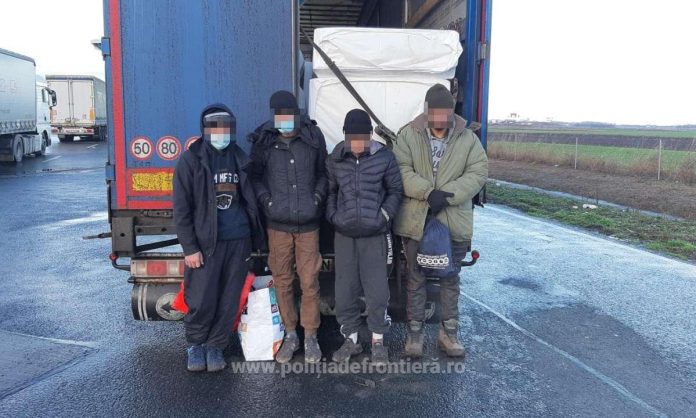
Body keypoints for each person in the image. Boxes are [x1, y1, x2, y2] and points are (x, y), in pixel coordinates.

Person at [392, 84, 488, 358]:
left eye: (444, 112)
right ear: (427, 111)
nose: (439, 118)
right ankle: (414, 335)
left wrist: (448, 195)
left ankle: (449, 334)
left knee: (450, 278)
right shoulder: (408, 135)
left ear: (451, 112)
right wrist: (427, 192)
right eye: (434, 112)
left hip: (454, 219)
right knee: (415, 278)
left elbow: (479, 171)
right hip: (416, 220)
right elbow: (400, 169)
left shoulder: (468, 139)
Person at [173, 104, 265, 372]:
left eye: (226, 128)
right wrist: (190, 247)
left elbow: (250, 199)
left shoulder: (240, 158)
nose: (221, 133)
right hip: (206, 244)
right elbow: (181, 208)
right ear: (205, 130)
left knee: (229, 298)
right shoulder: (191, 160)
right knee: (201, 298)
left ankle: (216, 346)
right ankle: (196, 345)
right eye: (215, 128)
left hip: (239, 241)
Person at [248, 90, 328, 364]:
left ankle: (311, 337)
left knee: (309, 282)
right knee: (282, 281)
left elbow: (323, 173)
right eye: (279, 115)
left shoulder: (312, 137)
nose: (284, 121)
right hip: (277, 225)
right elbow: (255, 177)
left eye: (288, 115)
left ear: (296, 114)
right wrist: (266, 201)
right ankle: (291, 334)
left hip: (308, 225)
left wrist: (316, 198)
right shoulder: (265, 140)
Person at [326, 109, 403, 365]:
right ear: (345, 136)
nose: (358, 143)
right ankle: (351, 340)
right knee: (344, 291)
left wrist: (383, 216)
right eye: (352, 138)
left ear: (370, 136)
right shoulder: (335, 159)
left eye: (362, 137)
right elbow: (330, 191)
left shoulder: (385, 157)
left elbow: (395, 191)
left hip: (375, 235)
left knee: (377, 291)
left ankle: (378, 341)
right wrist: (334, 216)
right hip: (345, 235)